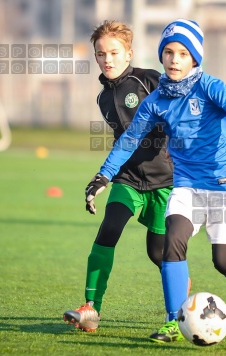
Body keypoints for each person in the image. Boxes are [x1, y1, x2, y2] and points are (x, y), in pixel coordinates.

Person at [84, 18, 226, 342]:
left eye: (182, 53)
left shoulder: (210, 87)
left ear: (194, 58)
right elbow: (128, 141)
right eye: (168, 52)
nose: (174, 59)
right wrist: (103, 175)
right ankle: (173, 320)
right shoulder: (156, 102)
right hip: (185, 186)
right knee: (173, 241)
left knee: (224, 260)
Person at [63, 20, 174, 332]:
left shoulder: (150, 81)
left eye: (114, 52)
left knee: (158, 252)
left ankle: (178, 308)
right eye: (101, 54)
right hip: (128, 179)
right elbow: (123, 141)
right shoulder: (102, 98)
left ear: (129, 54)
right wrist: (104, 177)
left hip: (166, 182)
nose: (107, 59)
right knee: (108, 231)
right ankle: (90, 310)